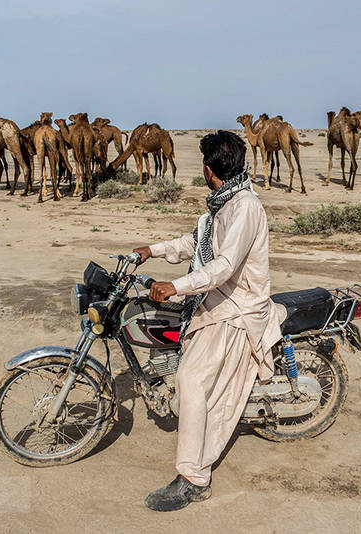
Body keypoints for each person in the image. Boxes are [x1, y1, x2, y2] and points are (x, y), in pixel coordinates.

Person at [133, 130, 284, 512]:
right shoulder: (223, 203)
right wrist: (153, 250)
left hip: (238, 307)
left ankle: (193, 478)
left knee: (191, 379)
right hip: (217, 299)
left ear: (209, 169)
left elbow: (225, 264)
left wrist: (177, 286)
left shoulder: (246, 207)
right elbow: (194, 241)